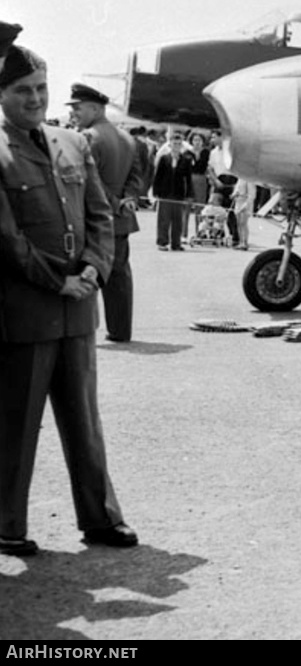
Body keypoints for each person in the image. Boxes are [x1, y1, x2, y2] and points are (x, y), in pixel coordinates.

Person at [0, 37, 137, 555]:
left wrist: (94, 270)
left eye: (40, 88)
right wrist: (56, 279)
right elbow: (7, 237)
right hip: (27, 311)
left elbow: (102, 216)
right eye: (20, 90)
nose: (34, 99)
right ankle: (8, 526)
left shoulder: (73, 143)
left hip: (79, 305)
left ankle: (100, 518)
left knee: (85, 421)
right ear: (1, 94)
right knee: (16, 425)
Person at [66, 84, 143, 342]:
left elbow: (91, 183)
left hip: (93, 220)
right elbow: (136, 177)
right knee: (120, 276)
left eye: (78, 107)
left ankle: (81, 333)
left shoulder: (87, 137)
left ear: (96, 108)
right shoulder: (127, 138)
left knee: (88, 273)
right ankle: (121, 331)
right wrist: (127, 200)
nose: (74, 113)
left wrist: (115, 203)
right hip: (120, 221)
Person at [151, 132, 193, 251]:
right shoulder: (164, 159)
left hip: (178, 194)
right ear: (170, 145)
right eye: (175, 144)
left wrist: (189, 194)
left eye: (179, 144)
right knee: (163, 219)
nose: (177, 146)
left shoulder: (186, 160)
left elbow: (188, 179)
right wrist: (156, 192)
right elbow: (157, 176)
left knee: (177, 220)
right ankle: (162, 242)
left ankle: (176, 243)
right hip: (165, 193)